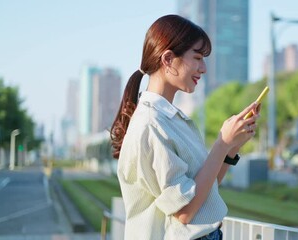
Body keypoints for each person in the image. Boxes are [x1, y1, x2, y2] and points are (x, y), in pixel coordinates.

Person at [110, 14, 260, 240]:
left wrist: (231, 148)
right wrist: (222, 143)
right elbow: (184, 211)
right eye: (198, 57)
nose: (204, 68)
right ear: (168, 59)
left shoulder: (171, 119)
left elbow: (204, 190)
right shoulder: (151, 123)